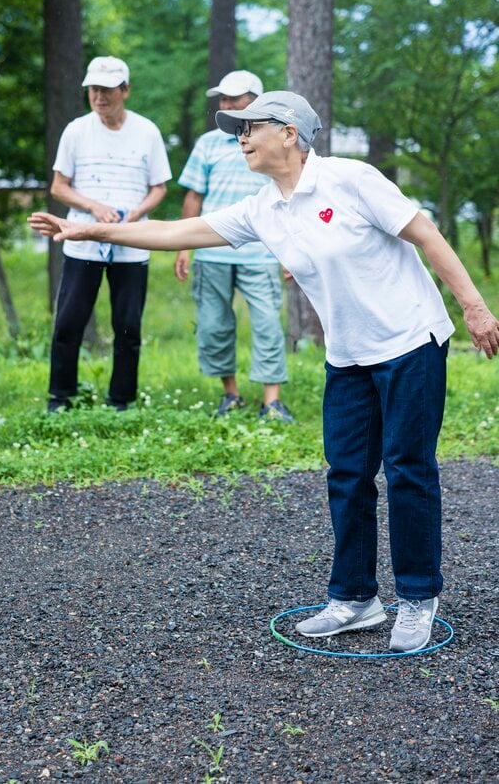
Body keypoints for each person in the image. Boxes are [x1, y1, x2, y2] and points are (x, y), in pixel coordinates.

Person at [29, 89, 499, 653]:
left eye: (251, 127)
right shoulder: (263, 208)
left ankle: (419, 598)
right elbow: (176, 233)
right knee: (347, 474)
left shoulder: (351, 179)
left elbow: (424, 234)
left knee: (406, 468)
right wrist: (90, 230)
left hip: (409, 341)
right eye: (237, 130)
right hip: (348, 355)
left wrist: (473, 305)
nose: (241, 137)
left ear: (290, 134)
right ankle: (355, 599)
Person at [46, 55, 172, 412]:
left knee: (128, 325)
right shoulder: (76, 130)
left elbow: (160, 188)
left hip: (132, 241)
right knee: (69, 322)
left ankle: (121, 400)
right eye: (93, 90)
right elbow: (59, 187)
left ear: (126, 90)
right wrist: (93, 208)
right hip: (83, 240)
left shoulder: (147, 131)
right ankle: (60, 398)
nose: (99, 97)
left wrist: (137, 212)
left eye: (107, 90)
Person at [175, 70, 292, 420]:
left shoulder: (274, 142)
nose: (224, 104)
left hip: (262, 252)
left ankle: (271, 402)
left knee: (268, 323)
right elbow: (194, 196)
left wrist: (290, 250)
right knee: (214, 325)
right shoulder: (208, 143)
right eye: (222, 98)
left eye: (233, 98)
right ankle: (231, 395)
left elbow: (288, 196)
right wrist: (184, 246)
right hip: (212, 252)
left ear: (255, 100)